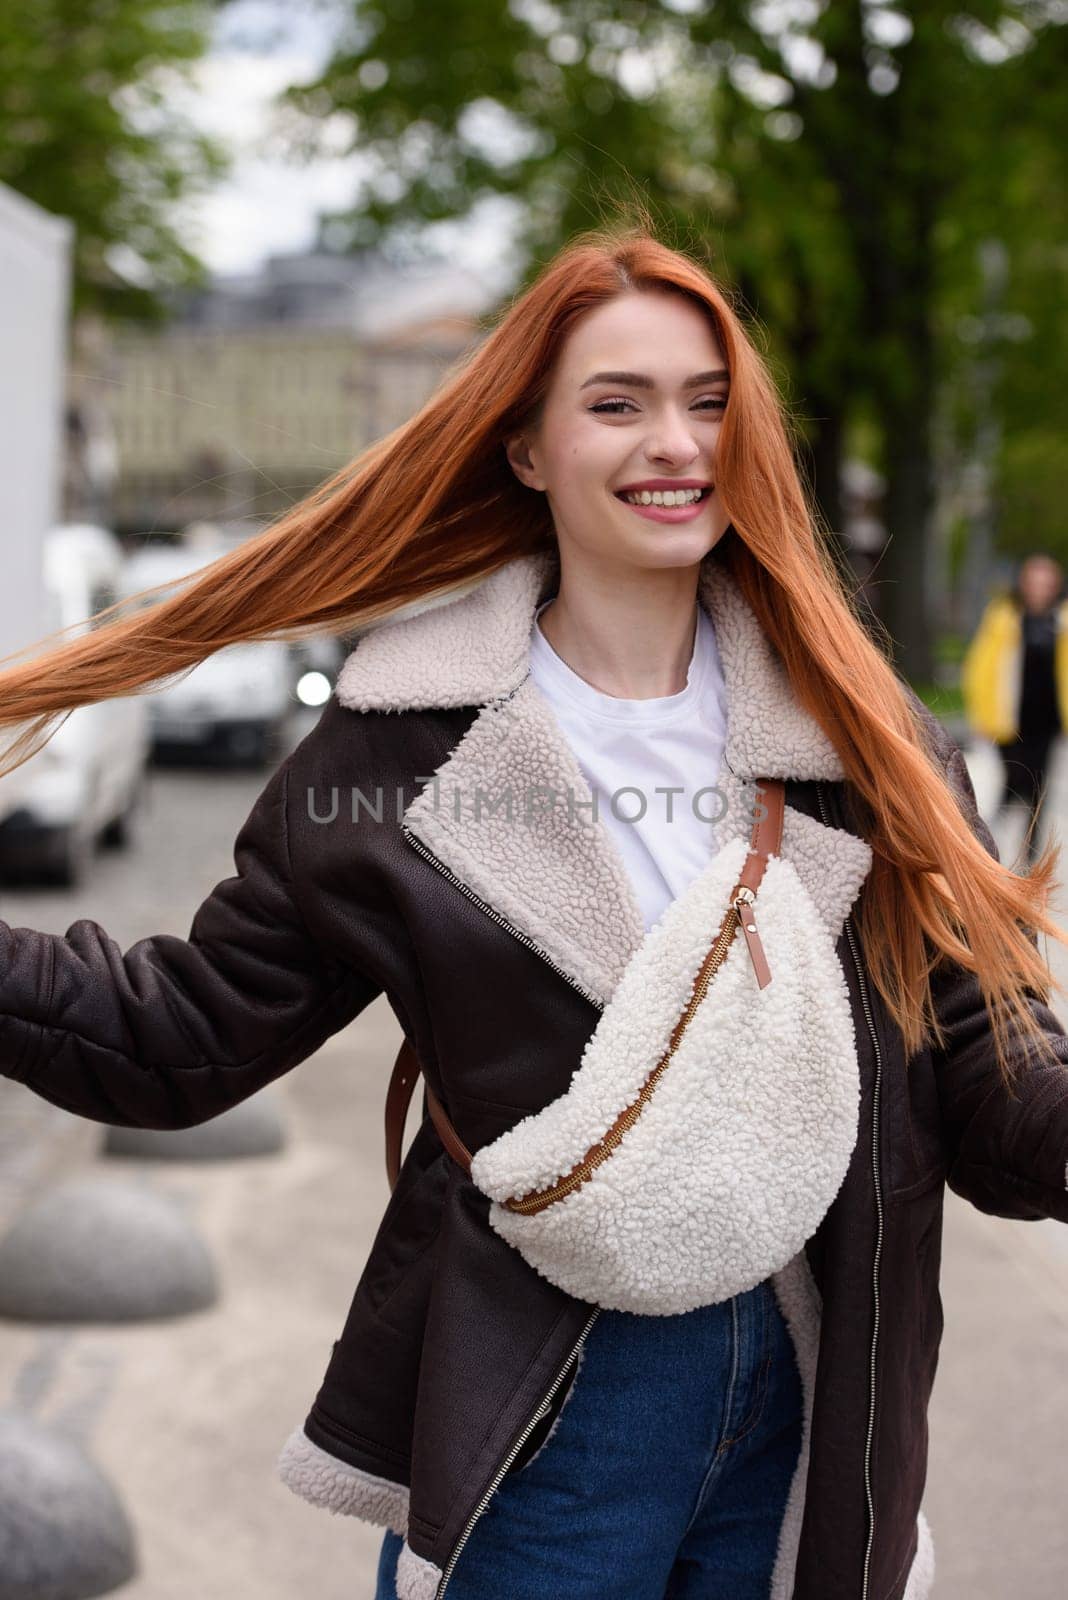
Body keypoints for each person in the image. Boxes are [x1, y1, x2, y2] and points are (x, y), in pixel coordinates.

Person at [1, 215, 1067, 1600]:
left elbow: (994, 1083)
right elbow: (175, 1034)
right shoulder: (396, 754)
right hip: (550, 1405)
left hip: (818, 1407)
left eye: (708, 404)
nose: (675, 444)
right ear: (527, 448)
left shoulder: (868, 741)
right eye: (616, 405)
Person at [961, 552, 1068, 867]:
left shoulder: (1062, 619)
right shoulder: (1004, 616)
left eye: (1046, 581)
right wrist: (980, 714)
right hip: (1009, 718)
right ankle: (988, 838)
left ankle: (1031, 854)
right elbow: (980, 666)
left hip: (1048, 720)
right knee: (1014, 781)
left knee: (1039, 785)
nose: (1039, 588)